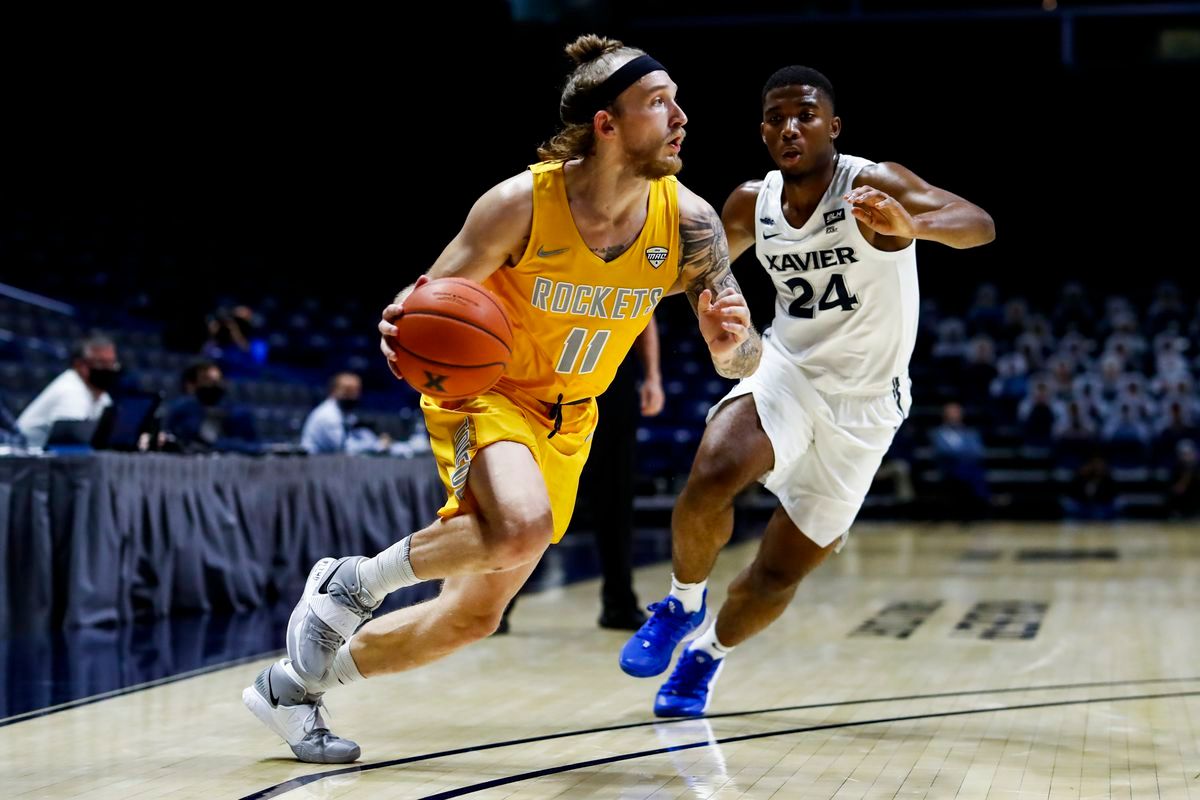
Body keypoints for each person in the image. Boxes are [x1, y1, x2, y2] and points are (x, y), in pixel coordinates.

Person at [243, 34, 762, 764]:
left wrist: (726, 341)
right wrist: (401, 322)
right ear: (607, 124)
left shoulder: (691, 221)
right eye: (658, 102)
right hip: (486, 394)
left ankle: (290, 686)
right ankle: (349, 582)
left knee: (470, 618)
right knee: (520, 527)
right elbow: (427, 299)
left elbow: (744, 356)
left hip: (570, 419)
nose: (681, 116)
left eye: (678, 101)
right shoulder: (521, 203)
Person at [618, 65, 995, 717]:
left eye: (805, 114)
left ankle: (706, 654)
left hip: (867, 405)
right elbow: (688, 273)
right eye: (775, 116)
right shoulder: (748, 203)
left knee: (777, 574)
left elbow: (978, 223)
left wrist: (914, 224)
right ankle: (680, 602)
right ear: (763, 130)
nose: (789, 127)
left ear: (833, 127)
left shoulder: (873, 182)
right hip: (787, 369)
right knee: (713, 471)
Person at [16, 334, 120, 448]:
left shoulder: (102, 395)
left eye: (112, 363)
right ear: (80, 365)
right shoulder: (69, 391)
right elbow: (73, 446)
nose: (109, 369)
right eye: (101, 363)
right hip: (23, 458)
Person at [161, 360, 260, 454]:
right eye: (206, 380)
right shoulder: (180, 410)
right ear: (191, 386)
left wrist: (219, 444)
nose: (213, 385)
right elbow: (168, 438)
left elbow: (249, 445)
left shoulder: (238, 414)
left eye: (217, 381)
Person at [301, 372, 390, 455]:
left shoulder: (346, 414)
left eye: (356, 391)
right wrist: (378, 446)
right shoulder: (328, 415)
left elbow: (361, 435)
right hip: (312, 466)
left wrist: (381, 442)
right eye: (348, 390)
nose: (353, 395)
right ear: (334, 391)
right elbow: (344, 448)